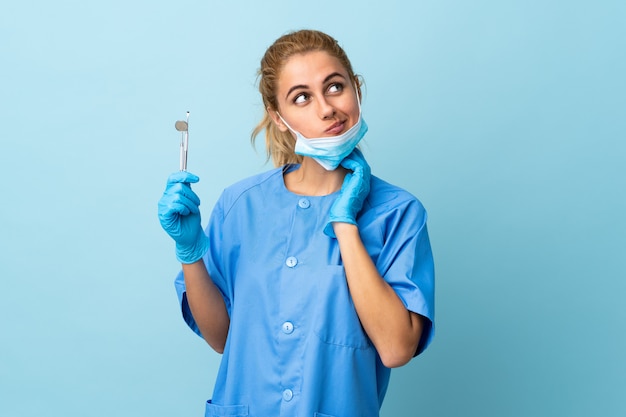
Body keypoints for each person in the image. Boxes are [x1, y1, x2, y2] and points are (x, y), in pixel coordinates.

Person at [158, 29, 435, 417]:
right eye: (301, 97)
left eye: (335, 87)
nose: (326, 109)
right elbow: (221, 337)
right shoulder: (240, 206)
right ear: (279, 117)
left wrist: (345, 223)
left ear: (356, 90)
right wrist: (190, 253)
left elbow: (396, 348)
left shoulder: (398, 213)